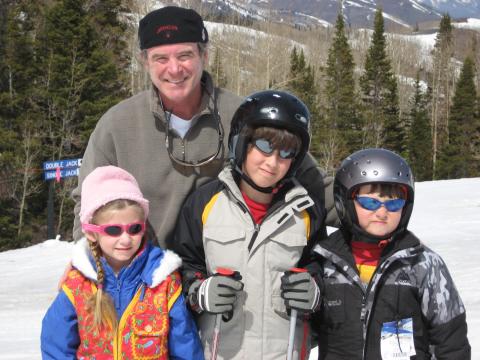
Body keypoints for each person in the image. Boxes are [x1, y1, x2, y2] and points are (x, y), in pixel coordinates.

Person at [71, 5, 336, 249]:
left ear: (204, 55)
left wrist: (368, 199)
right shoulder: (118, 125)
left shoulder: (244, 115)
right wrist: (88, 269)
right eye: (161, 58)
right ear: (145, 62)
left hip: (224, 280)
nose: (174, 69)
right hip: (147, 281)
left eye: (185, 55)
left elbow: (310, 179)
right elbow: (88, 203)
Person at [172, 90, 327, 359]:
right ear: (242, 142)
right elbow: (182, 266)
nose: (273, 161)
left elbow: (322, 270)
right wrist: (199, 292)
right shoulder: (205, 204)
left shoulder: (305, 212)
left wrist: (314, 292)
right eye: (265, 146)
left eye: (286, 152)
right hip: (219, 350)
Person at [285, 148, 471, 359]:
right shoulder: (324, 262)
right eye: (370, 202)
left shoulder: (422, 265)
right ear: (344, 201)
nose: (382, 212)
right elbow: (306, 333)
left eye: (394, 203)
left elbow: (451, 344)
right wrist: (309, 302)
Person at [41, 166, 204, 359]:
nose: (126, 239)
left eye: (134, 228)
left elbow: (185, 345)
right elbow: (56, 346)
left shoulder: (162, 281)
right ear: (91, 232)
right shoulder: (78, 284)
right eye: (113, 230)